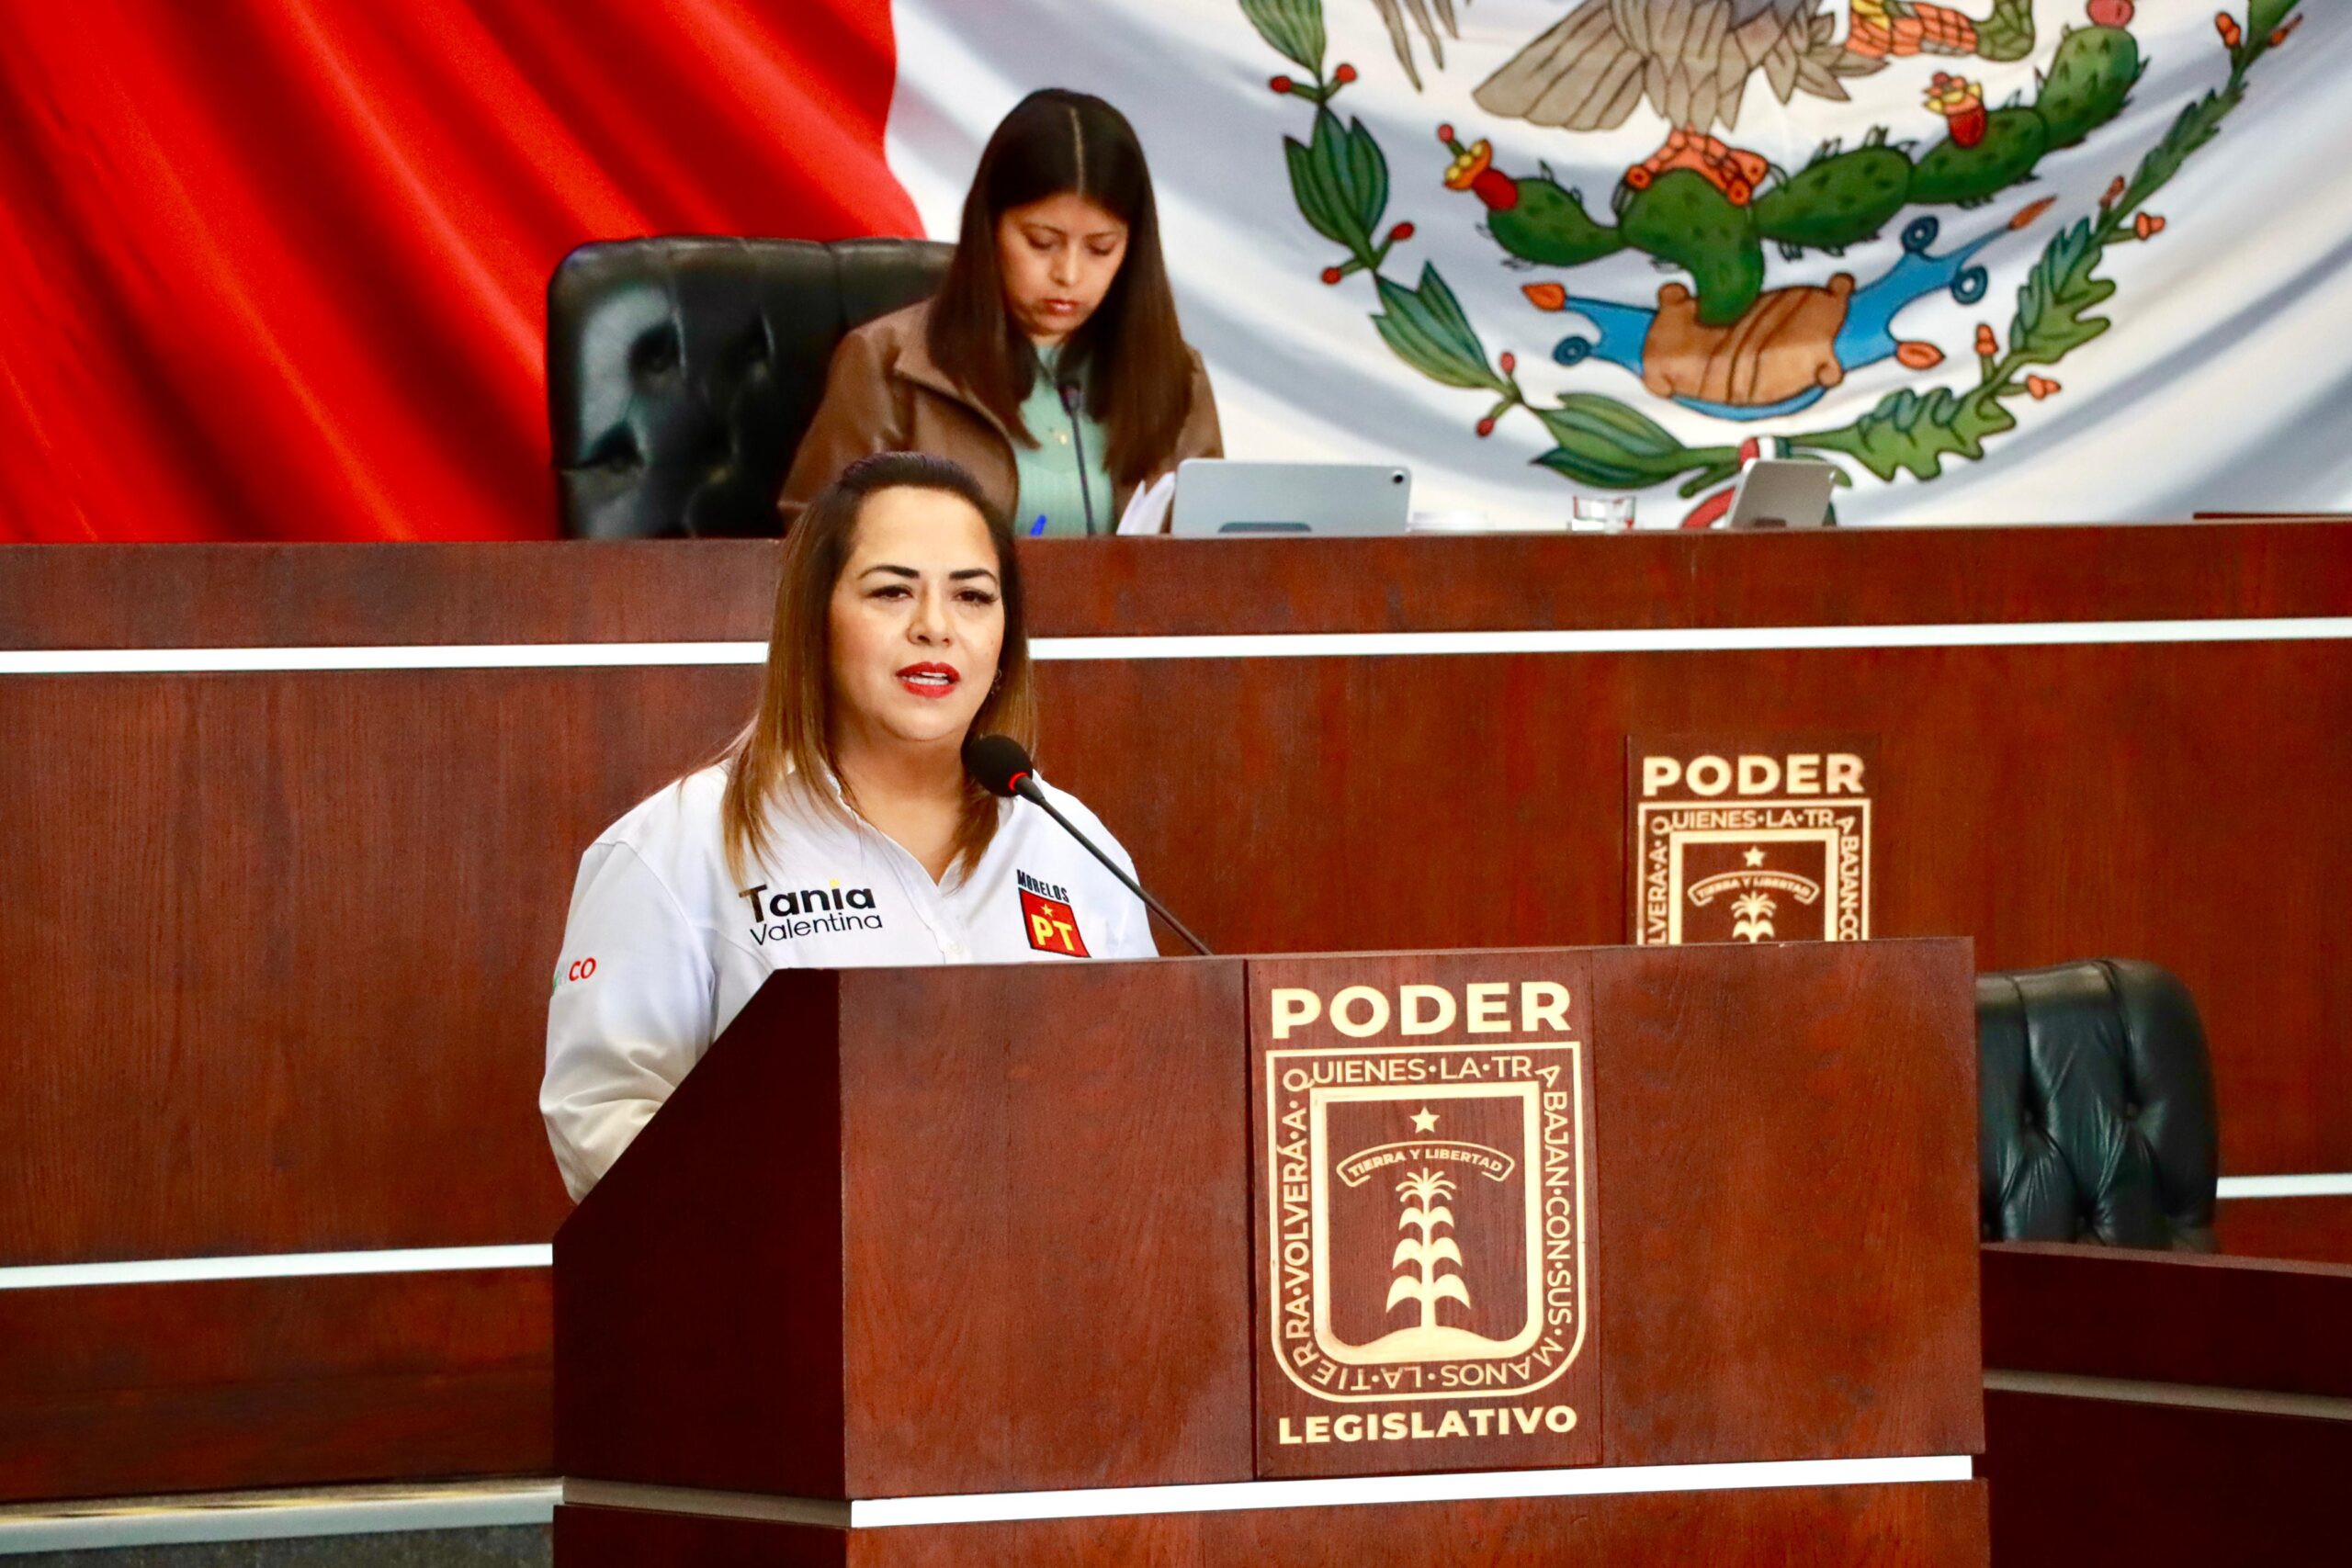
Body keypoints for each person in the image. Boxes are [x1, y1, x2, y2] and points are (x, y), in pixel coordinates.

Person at [542, 453, 1156, 1200]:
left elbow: (1146, 1089)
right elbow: (603, 1118)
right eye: (893, 591)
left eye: (972, 596)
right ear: (816, 621)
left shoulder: (1069, 842)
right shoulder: (678, 845)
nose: (935, 628)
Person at [778, 89, 1221, 537]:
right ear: (988, 228)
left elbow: (1218, 558)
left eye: (1100, 248)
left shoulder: (1177, 377)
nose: (1068, 274)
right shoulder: (886, 362)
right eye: (1042, 243)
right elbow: (815, 543)